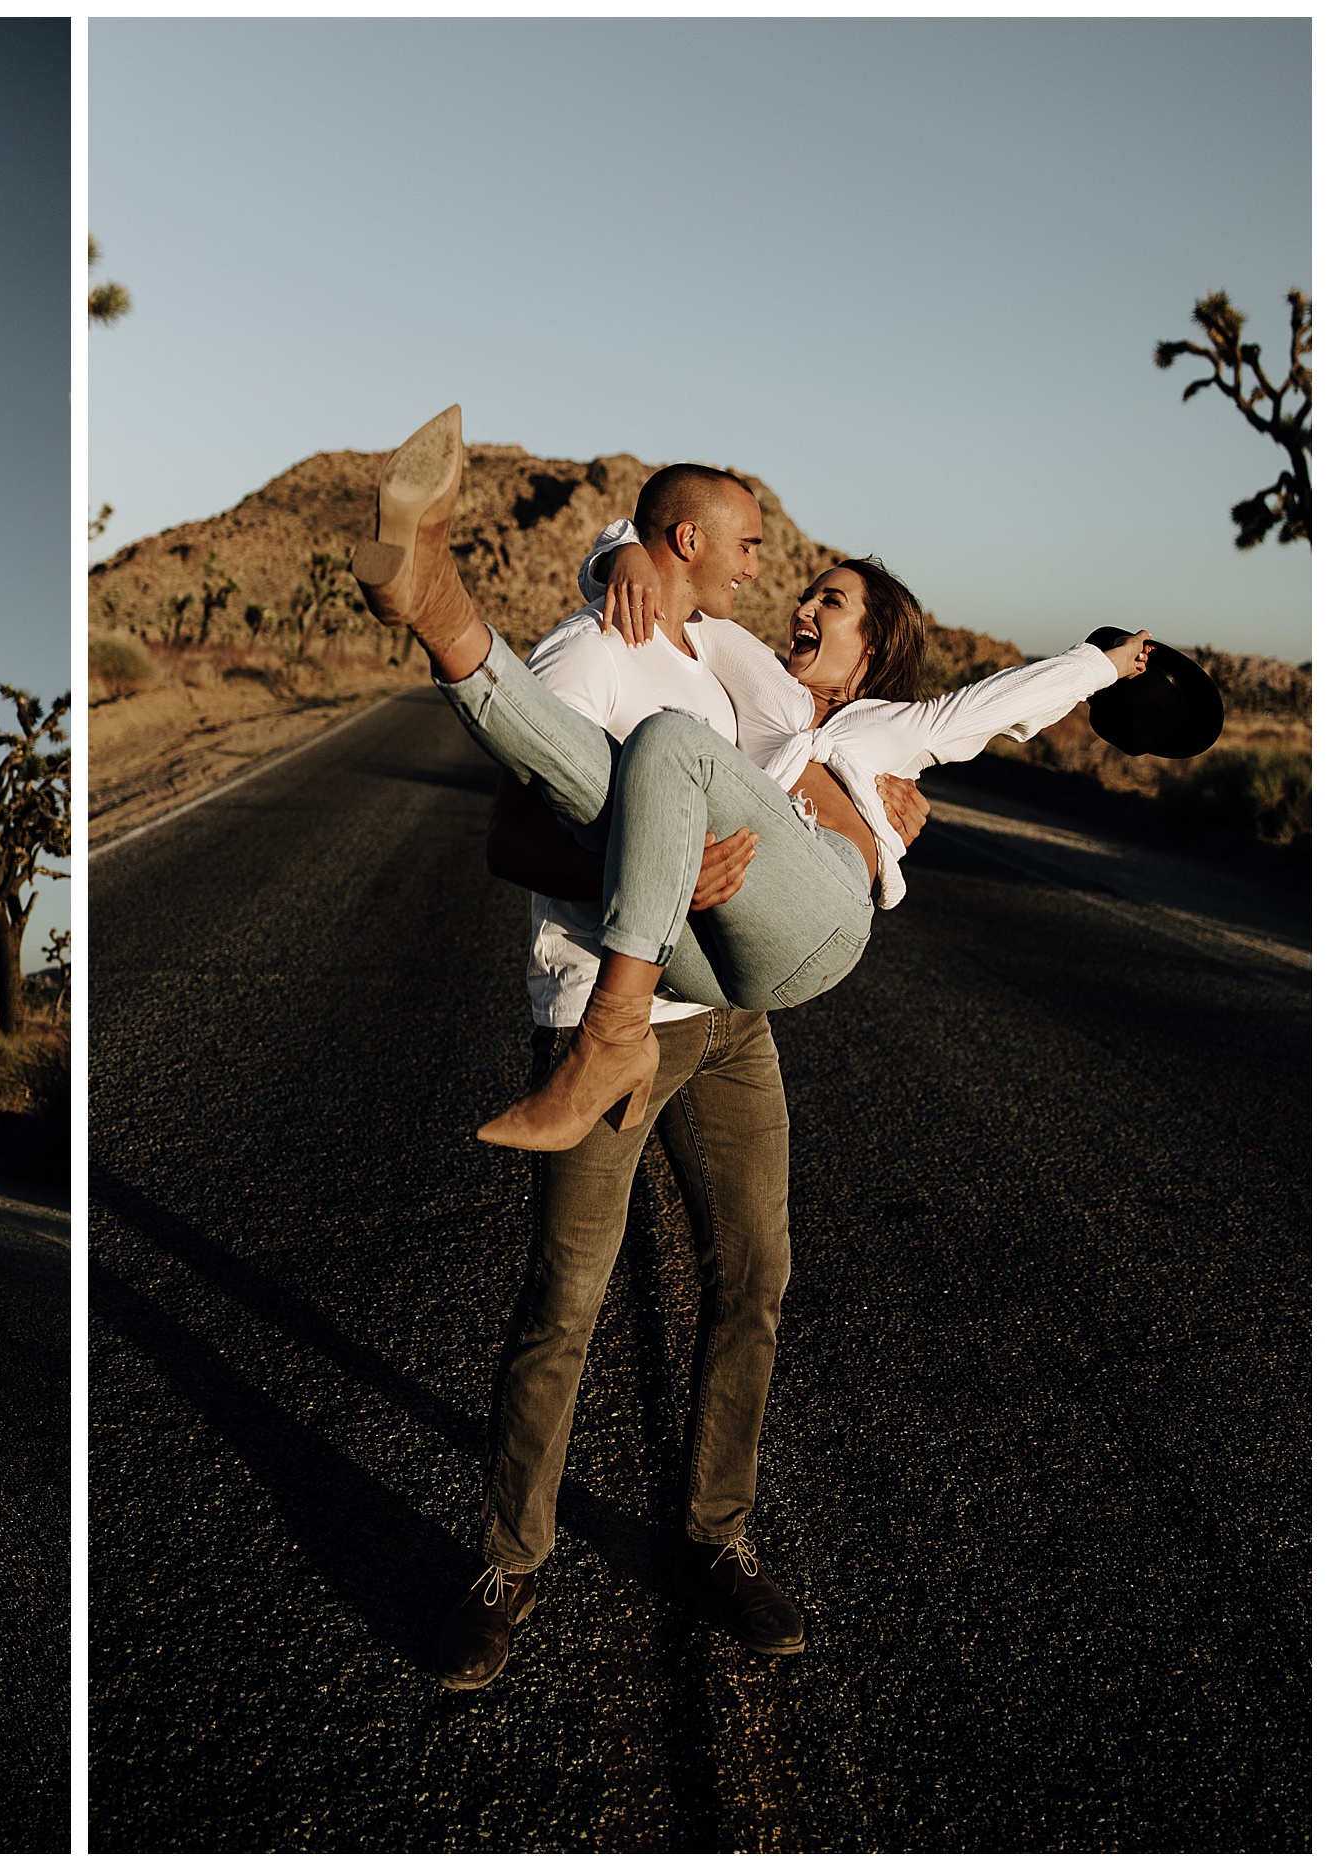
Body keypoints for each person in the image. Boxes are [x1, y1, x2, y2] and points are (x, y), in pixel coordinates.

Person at [348, 407, 915, 1684]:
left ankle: (715, 1536)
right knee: (564, 1304)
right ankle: (506, 1560)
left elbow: (825, 747)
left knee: (753, 1275)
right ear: (689, 542)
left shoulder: (708, 656)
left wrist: (876, 827)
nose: (763, 566)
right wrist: (650, 870)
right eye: (750, 543)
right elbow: (507, 836)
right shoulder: (597, 647)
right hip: (601, 1011)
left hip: (727, 1024)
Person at [361, 407, 1150, 1150]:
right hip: (710, 948)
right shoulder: (755, 678)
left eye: (830, 600)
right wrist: (620, 547)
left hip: (819, 917)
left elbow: (998, 702)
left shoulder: (891, 729)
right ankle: (436, 606)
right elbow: (677, 591)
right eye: (809, 590)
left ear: (870, 650)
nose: (799, 599)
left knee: (667, 745)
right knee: (607, 777)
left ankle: (608, 1039)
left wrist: (1102, 663)